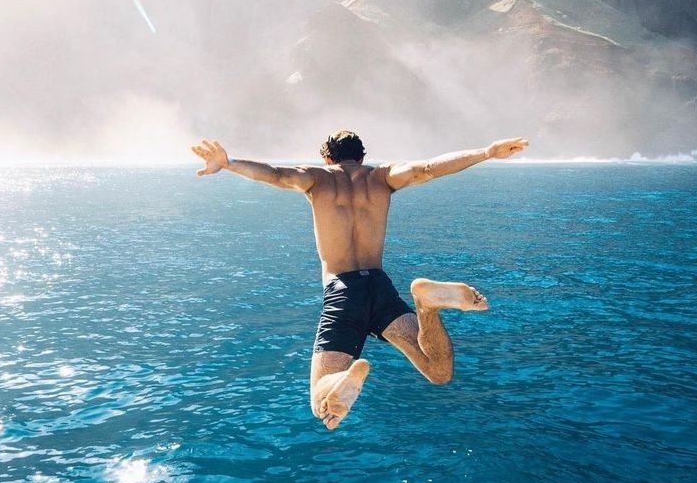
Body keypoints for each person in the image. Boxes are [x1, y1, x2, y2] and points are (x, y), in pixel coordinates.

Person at [191, 131, 529, 430]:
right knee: (439, 372)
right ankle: (426, 305)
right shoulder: (382, 177)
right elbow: (429, 168)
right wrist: (487, 151)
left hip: (343, 291)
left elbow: (275, 174)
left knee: (318, 401)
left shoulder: (317, 178)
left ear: (327, 158)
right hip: (380, 287)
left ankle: (339, 383)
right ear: (362, 157)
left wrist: (229, 163)